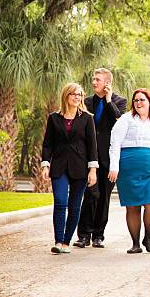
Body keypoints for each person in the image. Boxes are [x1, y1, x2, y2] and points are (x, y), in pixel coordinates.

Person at [41, 83, 98, 254]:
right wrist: (45, 164)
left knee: (74, 207)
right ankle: (58, 241)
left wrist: (93, 170)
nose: (76, 97)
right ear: (66, 96)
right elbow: (48, 144)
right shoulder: (54, 118)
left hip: (80, 168)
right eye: (73, 94)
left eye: (79, 95)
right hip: (58, 166)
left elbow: (92, 146)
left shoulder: (87, 118)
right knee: (60, 202)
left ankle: (66, 242)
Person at [74, 68, 127, 249]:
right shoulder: (86, 102)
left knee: (104, 197)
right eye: (93, 79)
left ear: (107, 83)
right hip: (88, 156)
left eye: (97, 79)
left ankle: (98, 235)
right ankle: (83, 235)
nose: (94, 82)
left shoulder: (120, 101)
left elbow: (119, 121)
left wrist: (109, 100)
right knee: (90, 194)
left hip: (109, 157)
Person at [107, 89, 150, 254]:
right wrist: (114, 167)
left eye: (142, 100)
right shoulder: (126, 119)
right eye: (136, 100)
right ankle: (135, 243)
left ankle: (148, 238)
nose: (138, 103)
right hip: (128, 167)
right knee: (133, 206)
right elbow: (115, 143)